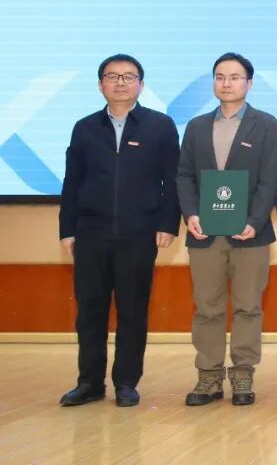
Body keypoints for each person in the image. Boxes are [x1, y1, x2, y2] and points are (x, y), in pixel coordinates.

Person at [58, 54, 180, 407]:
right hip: (91, 232)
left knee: (132, 310)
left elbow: (172, 179)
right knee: (89, 312)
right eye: (112, 77)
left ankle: (126, 382)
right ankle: (89, 382)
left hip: (139, 233)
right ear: (101, 85)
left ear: (141, 84)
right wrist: (67, 229)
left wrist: (167, 223)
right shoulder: (84, 127)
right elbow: (72, 182)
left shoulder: (160, 125)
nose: (120, 83)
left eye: (128, 76)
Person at [176, 53, 277, 406]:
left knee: (248, 306)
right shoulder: (196, 126)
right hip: (204, 234)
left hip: (250, 234)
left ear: (248, 83)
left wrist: (254, 221)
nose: (227, 83)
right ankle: (208, 376)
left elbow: (270, 178)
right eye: (220, 76)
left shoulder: (266, 125)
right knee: (207, 307)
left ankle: (242, 375)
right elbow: (184, 175)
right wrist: (191, 214)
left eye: (235, 77)